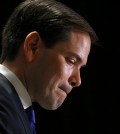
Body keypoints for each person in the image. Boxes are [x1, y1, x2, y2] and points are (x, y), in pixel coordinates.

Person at [0, 0, 98, 133]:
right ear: (33, 47)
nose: (77, 80)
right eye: (71, 61)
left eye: (80, 68)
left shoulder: (13, 107)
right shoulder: (3, 108)